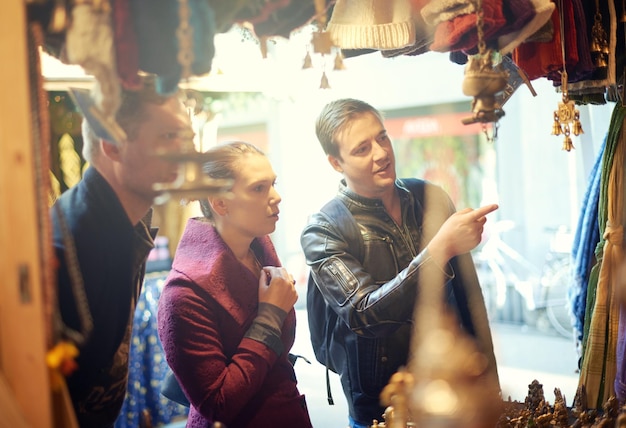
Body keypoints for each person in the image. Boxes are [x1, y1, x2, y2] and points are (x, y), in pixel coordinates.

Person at [300, 98, 500, 427]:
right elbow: (364, 313)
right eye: (362, 148)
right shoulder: (323, 229)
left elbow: (468, 299)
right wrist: (439, 249)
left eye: (382, 137)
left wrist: (487, 379)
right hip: (384, 402)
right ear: (336, 163)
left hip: (453, 383)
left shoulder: (428, 197)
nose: (381, 153)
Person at [51, 77, 191, 427]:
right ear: (112, 145)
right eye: (167, 137)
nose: (183, 150)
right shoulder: (75, 242)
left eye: (184, 137)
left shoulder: (119, 222)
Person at [157, 141, 313, 428]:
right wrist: (269, 316)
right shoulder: (183, 294)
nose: (276, 197)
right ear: (220, 203)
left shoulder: (261, 252)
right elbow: (218, 403)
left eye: (273, 184)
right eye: (259, 188)